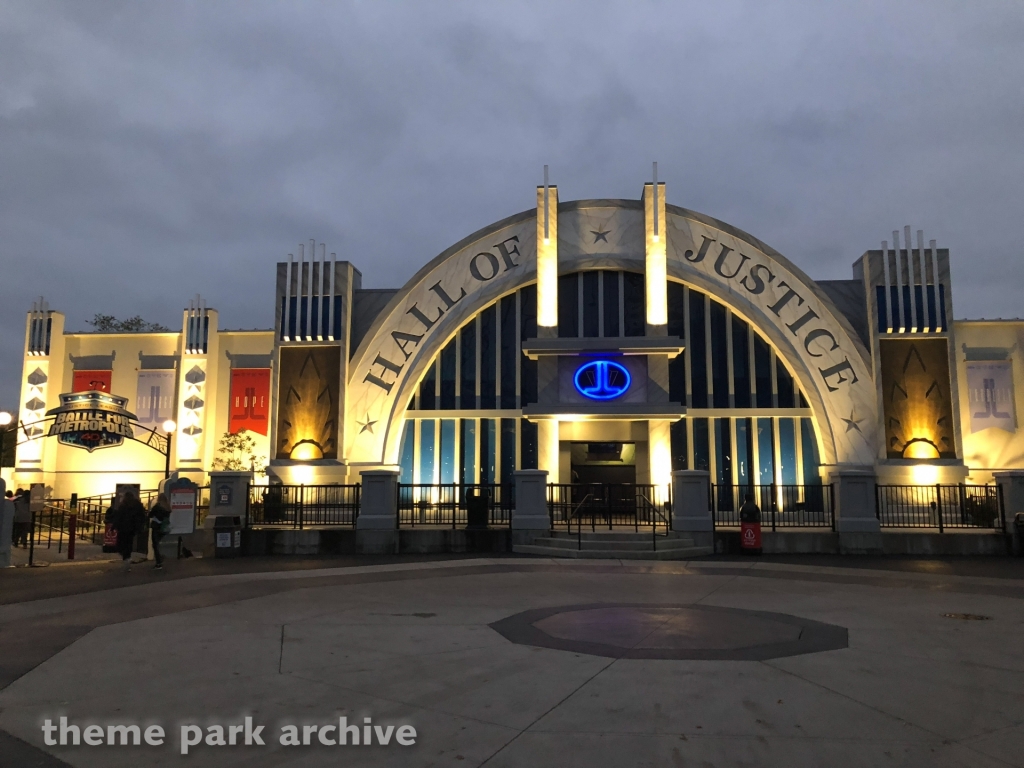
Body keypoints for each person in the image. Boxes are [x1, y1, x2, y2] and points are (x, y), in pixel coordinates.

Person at [113, 490, 146, 572]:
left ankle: (125, 557)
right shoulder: (137, 505)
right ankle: (128, 557)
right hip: (132, 528)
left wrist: (114, 526)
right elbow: (142, 516)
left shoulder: (123, 505)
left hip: (123, 528)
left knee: (121, 543)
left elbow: (118, 517)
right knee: (129, 543)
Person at [149, 494, 171, 570]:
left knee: (155, 545)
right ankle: (160, 558)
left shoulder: (157, 507)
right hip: (164, 528)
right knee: (158, 544)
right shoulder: (168, 507)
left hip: (156, 527)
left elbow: (150, 515)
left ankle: (159, 562)